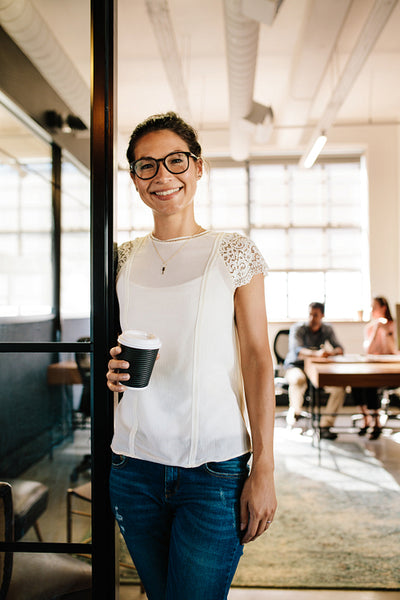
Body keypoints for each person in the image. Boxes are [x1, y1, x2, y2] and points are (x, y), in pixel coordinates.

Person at [106, 112, 277, 600]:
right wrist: (110, 371)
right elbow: (114, 348)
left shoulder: (232, 251)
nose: (162, 175)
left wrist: (263, 469)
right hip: (132, 466)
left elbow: (258, 361)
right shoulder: (120, 258)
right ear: (135, 179)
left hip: (214, 471)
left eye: (175, 160)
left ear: (198, 168)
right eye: (146, 165)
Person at [284, 301, 345, 440]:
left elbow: (340, 349)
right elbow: (297, 350)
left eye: (315, 315)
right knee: (298, 380)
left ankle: (325, 426)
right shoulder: (298, 328)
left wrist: (330, 352)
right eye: (310, 314)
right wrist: (317, 353)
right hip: (296, 366)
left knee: (339, 388)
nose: (312, 318)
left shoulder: (327, 329)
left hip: (318, 369)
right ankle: (295, 415)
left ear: (322, 315)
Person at [352, 296, 398, 440]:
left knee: (370, 384)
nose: (371, 310)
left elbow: (393, 350)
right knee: (356, 383)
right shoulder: (370, 327)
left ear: (383, 308)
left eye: (374, 307)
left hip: (391, 369)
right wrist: (376, 329)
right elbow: (369, 351)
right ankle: (366, 419)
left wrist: (385, 331)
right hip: (374, 365)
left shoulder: (394, 326)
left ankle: (376, 423)